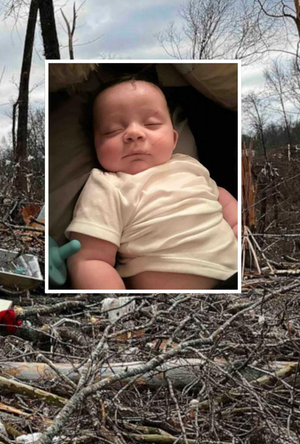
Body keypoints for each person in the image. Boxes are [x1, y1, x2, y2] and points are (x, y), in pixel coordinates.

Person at [65, 78, 238, 290]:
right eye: (112, 130)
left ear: (174, 139)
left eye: (151, 124)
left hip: (237, 275)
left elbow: (219, 195)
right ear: (95, 145)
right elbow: (89, 260)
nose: (134, 134)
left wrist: (237, 225)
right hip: (166, 300)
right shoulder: (107, 185)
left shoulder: (189, 165)